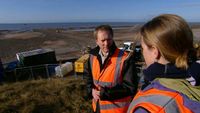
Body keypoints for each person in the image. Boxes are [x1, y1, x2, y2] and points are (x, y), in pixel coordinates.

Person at [127, 14, 200, 113]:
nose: (142, 53)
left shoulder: (152, 107)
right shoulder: (194, 78)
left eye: (143, 49)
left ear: (155, 51)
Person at [84, 25, 139, 113]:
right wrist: (91, 90)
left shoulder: (125, 58)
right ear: (97, 41)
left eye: (108, 39)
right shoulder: (92, 56)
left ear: (112, 38)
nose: (106, 44)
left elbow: (130, 87)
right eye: (102, 40)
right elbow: (88, 76)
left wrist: (104, 93)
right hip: (97, 107)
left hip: (117, 110)